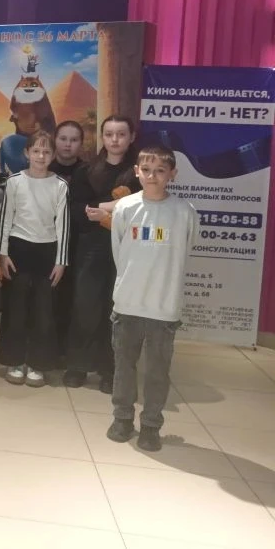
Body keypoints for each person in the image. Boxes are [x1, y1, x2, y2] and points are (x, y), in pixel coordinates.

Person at [105, 145, 196, 452]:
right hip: (128, 303)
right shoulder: (125, 207)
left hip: (163, 307)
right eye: (146, 170)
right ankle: (122, 418)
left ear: (172, 174)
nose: (152, 176)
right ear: (137, 172)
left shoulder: (184, 212)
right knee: (124, 367)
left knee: (157, 372)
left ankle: (151, 424)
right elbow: (119, 251)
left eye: (160, 170)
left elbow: (185, 251)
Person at [65, 115, 141, 394]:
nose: (115, 140)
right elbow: (77, 210)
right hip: (91, 246)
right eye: (109, 134)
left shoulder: (140, 173)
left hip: (128, 248)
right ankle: (78, 365)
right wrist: (108, 209)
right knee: (85, 305)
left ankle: (110, 370)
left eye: (121, 134)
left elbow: (142, 209)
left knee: (117, 310)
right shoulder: (86, 171)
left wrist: (104, 212)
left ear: (131, 137)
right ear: (102, 137)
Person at [0, 131, 70, 388]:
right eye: (36, 151)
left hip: (47, 252)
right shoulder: (15, 182)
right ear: (27, 153)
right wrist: (3, 253)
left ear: (53, 155)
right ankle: (14, 360)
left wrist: (61, 261)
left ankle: (38, 364)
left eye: (46, 152)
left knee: (44, 311)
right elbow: (6, 219)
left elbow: (63, 226)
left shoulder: (60, 185)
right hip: (18, 249)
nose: (41, 156)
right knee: (15, 309)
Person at [49, 121, 86, 361]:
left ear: (81, 144)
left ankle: (65, 352)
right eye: (63, 138)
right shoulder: (43, 167)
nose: (67, 144)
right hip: (44, 243)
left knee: (69, 300)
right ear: (55, 140)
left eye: (73, 140)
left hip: (76, 246)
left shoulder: (88, 172)